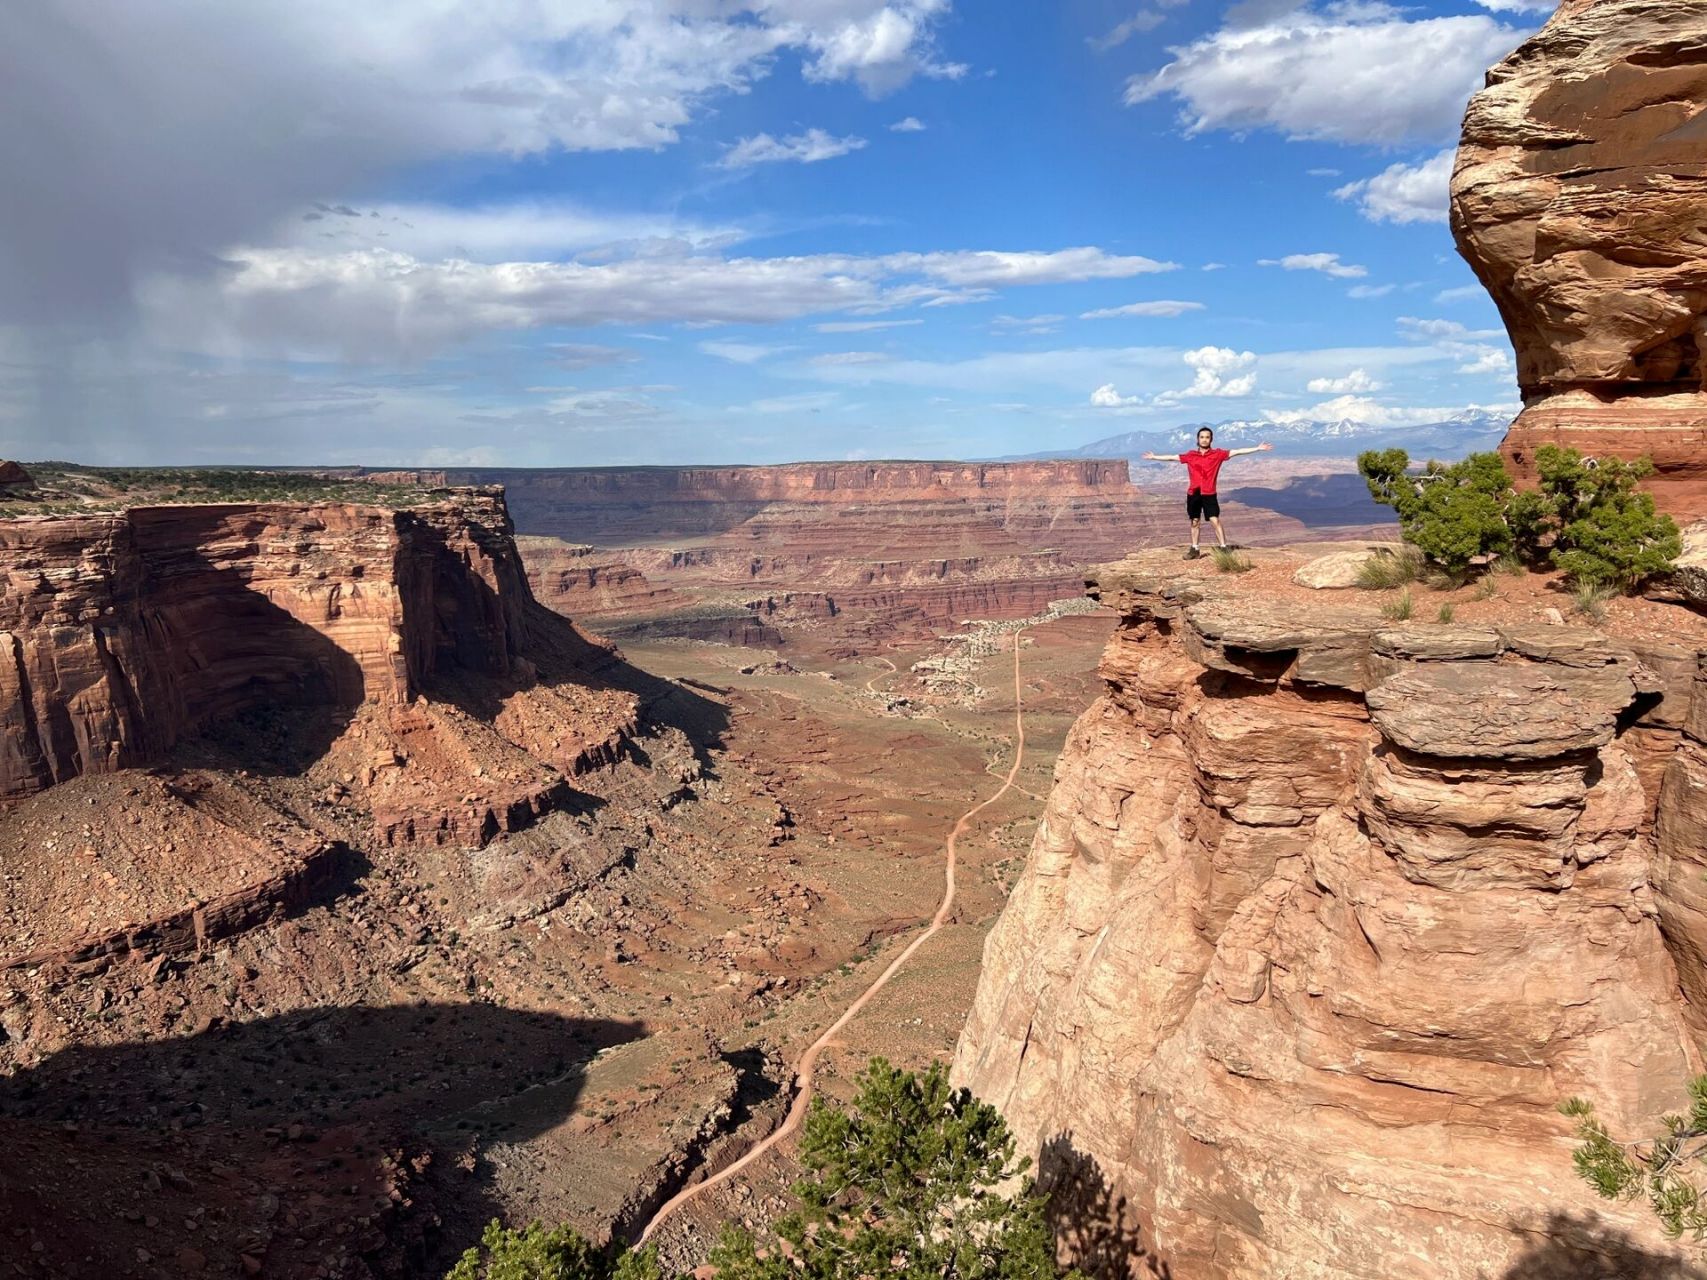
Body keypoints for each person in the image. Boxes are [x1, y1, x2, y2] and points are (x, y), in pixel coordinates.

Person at [1142, 428, 1274, 558]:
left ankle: (1223, 547)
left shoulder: (1218, 454)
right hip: (1194, 493)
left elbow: (1238, 452)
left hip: (1209, 493)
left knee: (1214, 520)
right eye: (1202, 437)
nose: (1204, 439)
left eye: (1207, 437)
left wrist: (1257, 448)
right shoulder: (1190, 455)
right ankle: (1195, 549)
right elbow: (1172, 458)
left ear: (1211, 439)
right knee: (1195, 521)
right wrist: (1154, 457)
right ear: (1198, 439)